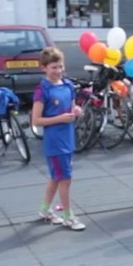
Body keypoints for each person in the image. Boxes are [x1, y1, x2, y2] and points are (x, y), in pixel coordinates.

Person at [31, 46, 85, 231]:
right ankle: (68, 216)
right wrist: (59, 119)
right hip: (55, 142)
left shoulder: (68, 85)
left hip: (68, 138)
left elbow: (71, 107)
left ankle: (45, 210)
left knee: (56, 177)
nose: (58, 71)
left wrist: (76, 110)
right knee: (65, 178)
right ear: (44, 68)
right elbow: (36, 120)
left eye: (60, 66)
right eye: (54, 67)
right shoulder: (42, 90)